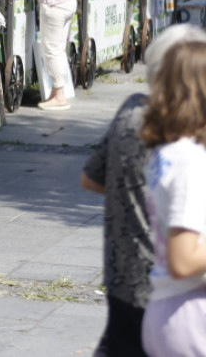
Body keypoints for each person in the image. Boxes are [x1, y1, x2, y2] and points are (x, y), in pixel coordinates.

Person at [80, 24, 206, 357]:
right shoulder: (179, 137)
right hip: (174, 286)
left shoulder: (133, 113)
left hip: (124, 271)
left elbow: (90, 178)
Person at [139, 38, 206, 356]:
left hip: (167, 308)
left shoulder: (167, 154)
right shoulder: (190, 161)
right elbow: (183, 261)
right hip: (190, 312)